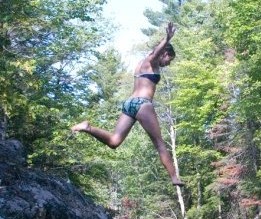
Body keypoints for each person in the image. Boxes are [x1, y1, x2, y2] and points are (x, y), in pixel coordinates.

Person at [72, 22, 184, 186]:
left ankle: (88, 128)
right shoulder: (150, 61)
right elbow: (155, 55)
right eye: (169, 59)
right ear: (164, 53)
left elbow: (155, 56)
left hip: (129, 104)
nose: (169, 63)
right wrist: (166, 39)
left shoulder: (141, 64)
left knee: (114, 142)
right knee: (159, 143)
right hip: (142, 104)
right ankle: (174, 177)